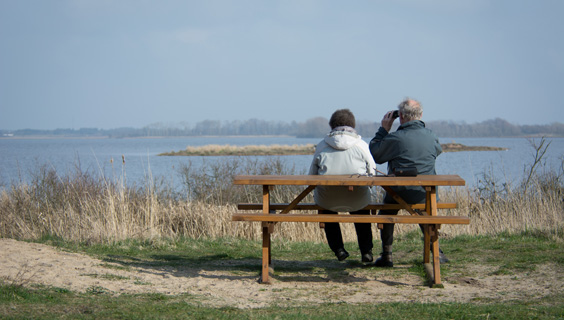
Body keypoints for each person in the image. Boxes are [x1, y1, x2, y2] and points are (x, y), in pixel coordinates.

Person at [369, 98, 447, 267]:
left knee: (387, 211)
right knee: (425, 211)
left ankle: (387, 255)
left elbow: (376, 153)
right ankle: (437, 251)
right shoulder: (432, 136)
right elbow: (437, 151)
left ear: (401, 117)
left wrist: (384, 129)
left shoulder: (396, 138)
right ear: (421, 115)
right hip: (424, 192)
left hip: (398, 191)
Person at [309, 109, 376, 263]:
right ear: (353, 124)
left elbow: (311, 176)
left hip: (328, 199)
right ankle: (366, 251)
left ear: (332, 125)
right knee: (362, 211)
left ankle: (338, 249)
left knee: (326, 210)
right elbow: (372, 172)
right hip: (358, 198)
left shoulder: (322, 145)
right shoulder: (361, 145)